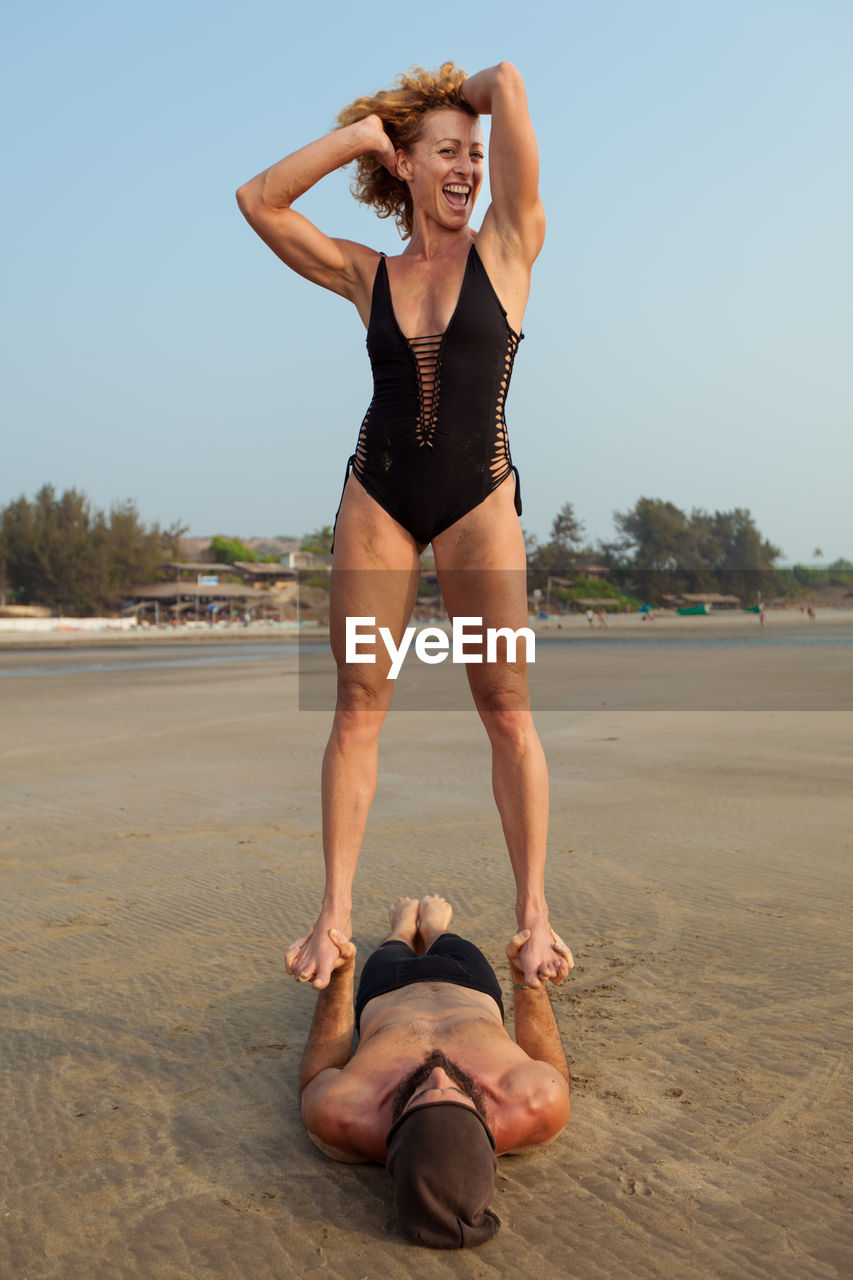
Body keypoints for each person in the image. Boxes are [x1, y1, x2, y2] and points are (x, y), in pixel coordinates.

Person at [237, 62, 564, 990]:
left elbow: (508, 82)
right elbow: (258, 201)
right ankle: (335, 916)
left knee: (507, 711)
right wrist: (357, 137)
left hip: (478, 502)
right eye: (446, 153)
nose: (467, 168)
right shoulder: (366, 274)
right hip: (376, 496)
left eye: (474, 154)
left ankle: (534, 917)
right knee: (355, 706)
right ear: (406, 168)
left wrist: (461, 95)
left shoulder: (508, 243)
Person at [288, 894, 571, 1249]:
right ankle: (436, 927)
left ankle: (402, 927)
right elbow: (550, 1065)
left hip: (388, 986)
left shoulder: (345, 1115)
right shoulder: (536, 1104)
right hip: (469, 981)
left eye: (417, 1096)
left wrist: (341, 974)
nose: (438, 1074)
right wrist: (525, 979)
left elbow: (318, 1075)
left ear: (393, 1136)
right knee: (443, 935)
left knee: (395, 942)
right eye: (458, 1094)